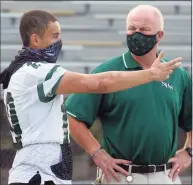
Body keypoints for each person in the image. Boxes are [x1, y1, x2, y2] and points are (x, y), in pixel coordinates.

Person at [0, 10, 181, 185]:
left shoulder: (20, 70)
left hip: (34, 166)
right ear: (35, 39)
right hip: (39, 171)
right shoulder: (37, 73)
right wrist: (150, 75)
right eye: (54, 36)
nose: (59, 42)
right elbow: (99, 83)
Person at [65, 5, 192, 184]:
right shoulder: (107, 72)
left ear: (159, 35)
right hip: (121, 177)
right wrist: (97, 154)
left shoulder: (178, 76)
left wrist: (189, 152)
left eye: (144, 29)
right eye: (132, 29)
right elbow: (72, 117)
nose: (136, 34)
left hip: (166, 176)